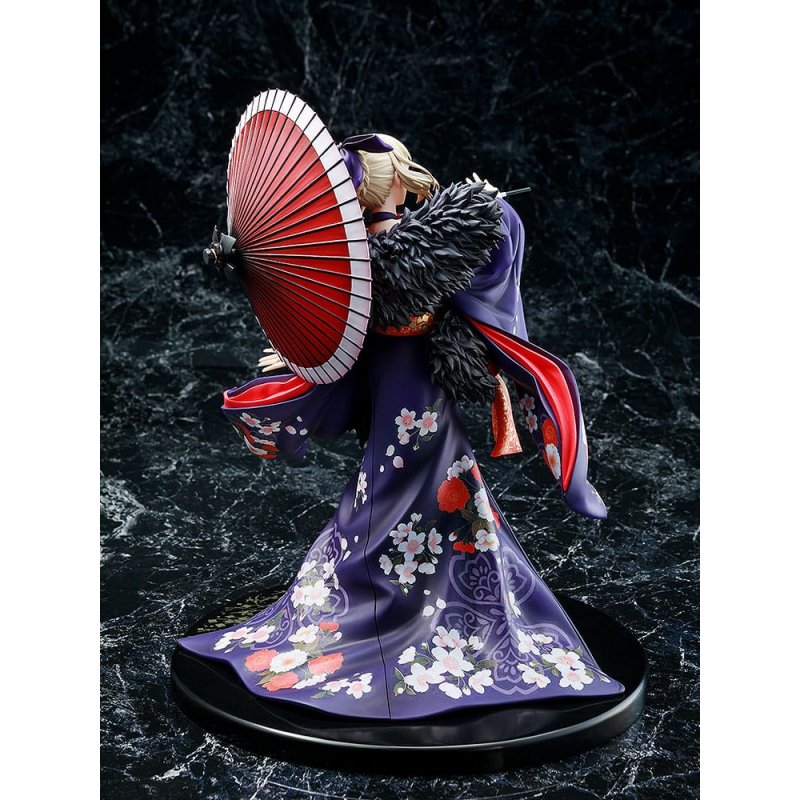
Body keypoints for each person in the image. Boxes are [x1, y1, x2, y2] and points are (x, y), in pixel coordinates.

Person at [178, 134, 623, 719]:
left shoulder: (355, 251)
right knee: (407, 485)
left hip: (407, 379)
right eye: (395, 167)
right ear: (383, 180)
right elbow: (480, 240)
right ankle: (396, 606)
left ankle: (404, 592)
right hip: (409, 388)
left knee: (412, 485)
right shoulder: (396, 246)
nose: (405, 174)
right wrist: (487, 207)